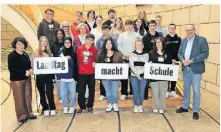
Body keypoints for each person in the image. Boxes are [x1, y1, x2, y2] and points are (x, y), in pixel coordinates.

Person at [176, 24, 209, 120]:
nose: (189, 31)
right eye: (187, 30)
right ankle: (185, 106)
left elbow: (205, 54)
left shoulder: (201, 40)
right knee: (185, 88)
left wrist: (192, 60)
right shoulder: (184, 40)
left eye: (191, 29)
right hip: (186, 68)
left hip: (196, 68)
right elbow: (179, 53)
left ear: (194, 30)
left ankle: (195, 110)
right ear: (185, 31)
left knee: (196, 90)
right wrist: (182, 60)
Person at [8, 37, 37, 123]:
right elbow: (12, 69)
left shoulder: (25, 54)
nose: (21, 46)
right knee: (19, 98)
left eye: (22, 44)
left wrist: (31, 69)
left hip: (27, 79)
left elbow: (28, 65)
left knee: (28, 96)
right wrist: (24, 72)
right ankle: (22, 116)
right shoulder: (11, 55)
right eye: (19, 44)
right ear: (15, 45)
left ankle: (29, 113)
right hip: (17, 80)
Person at [96, 37, 124, 112]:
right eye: (107, 43)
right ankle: (110, 104)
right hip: (105, 77)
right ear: (104, 44)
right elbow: (97, 65)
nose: (108, 45)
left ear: (112, 44)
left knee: (114, 91)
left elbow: (122, 64)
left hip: (115, 77)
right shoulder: (100, 54)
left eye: (110, 43)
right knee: (108, 91)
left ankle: (114, 103)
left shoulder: (118, 53)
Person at [31, 36, 56, 116]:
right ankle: (45, 107)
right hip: (40, 76)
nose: (43, 42)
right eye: (42, 41)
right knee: (42, 93)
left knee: (49, 93)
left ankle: (52, 107)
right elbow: (32, 64)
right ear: (39, 42)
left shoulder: (49, 52)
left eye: (45, 41)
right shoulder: (35, 52)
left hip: (48, 76)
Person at [118, 19, 142, 100]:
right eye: (127, 24)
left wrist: (132, 53)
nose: (129, 26)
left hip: (134, 59)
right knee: (124, 76)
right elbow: (119, 47)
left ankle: (132, 92)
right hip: (124, 59)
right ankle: (124, 92)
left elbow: (139, 45)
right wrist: (125, 54)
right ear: (125, 26)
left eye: (130, 24)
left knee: (133, 76)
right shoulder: (121, 35)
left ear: (133, 26)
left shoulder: (137, 35)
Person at [149, 37, 172, 114]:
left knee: (162, 92)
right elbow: (148, 64)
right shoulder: (151, 53)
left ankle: (162, 107)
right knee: (155, 93)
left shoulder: (167, 53)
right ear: (155, 44)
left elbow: (169, 65)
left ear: (163, 43)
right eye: (157, 42)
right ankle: (155, 106)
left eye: (160, 42)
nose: (158, 44)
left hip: (164, 77)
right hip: (154, 77)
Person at [56, 37, 78, 114]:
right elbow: (57, 65)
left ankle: (72, 106)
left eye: (69, 43)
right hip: (62, 77)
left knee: (72, 93)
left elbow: (75, 66)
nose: (67, 44)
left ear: (71, 43)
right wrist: (58, 77)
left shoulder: (74, 53)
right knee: (63, 94)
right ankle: (65, 106)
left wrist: (70, 59)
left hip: (72, 77)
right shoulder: (60, 53)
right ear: (64, 43)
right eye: (66, 43)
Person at [76, 34, 98, 113]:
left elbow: (96, 60)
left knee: (92, 90)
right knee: (81, 90)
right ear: (85, 40)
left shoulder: (95, 50)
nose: (89, 41)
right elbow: (78, 61)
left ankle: (90, 106)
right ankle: (81, 106)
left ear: (93, 41)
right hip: (82, 73)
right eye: (88, 39)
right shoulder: (79, 49)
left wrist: (95, 64)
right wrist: (80, 70)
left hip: (91, 73)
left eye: (91, 40)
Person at [96, 25, 118, 101]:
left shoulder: (114, 39)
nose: (105, 31)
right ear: (102, 31)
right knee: (103, 79)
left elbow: (116, 49)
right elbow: (98, 51)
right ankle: (102, 94)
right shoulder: (99, 40)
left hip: (112, 61)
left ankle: (112, 94)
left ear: (109, 30)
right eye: (103, 30)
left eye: (107, 30)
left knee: (112, 80)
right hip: (103, 62)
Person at [129, 39, 149, 113]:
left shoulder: (146, 55)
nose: (139, 46)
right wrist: (136, 74)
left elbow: (146, 66)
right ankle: (135, 105)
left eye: (140, 44)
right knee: (135, 91)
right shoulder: (132, 54)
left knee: (141, 91)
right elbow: (131, 65)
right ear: (135, 45)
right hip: (133, 75)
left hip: (143, 76)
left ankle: (140, 105)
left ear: (142, 45)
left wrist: (140, 73)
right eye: (137, 44)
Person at [164, 24, 181, 98]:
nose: (172, 29)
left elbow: (180, 50)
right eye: (170, 28)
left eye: (173, 28)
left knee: (174, 76)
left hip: (175, 60)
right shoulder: (165, 39)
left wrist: (175, 59)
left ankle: (173, 90)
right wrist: (169, 59)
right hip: (167, 60)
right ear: (168, 29)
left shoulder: (179, 39)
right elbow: (164, 50)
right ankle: (167, 90)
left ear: (175, 29)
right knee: (167, 75)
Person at [51, 29, 66, 103]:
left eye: (61, 33)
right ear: (56, 35)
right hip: (57, 66)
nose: (60, 35)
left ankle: (66, 96)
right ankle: (60, 97)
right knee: (58, 82)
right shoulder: (53, 44)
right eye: (58, 34)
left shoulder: (66, 42)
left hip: (66, 66)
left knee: (66, 81)